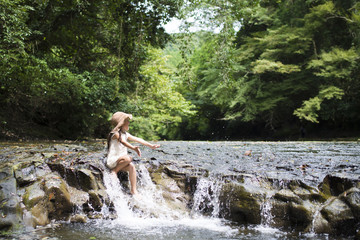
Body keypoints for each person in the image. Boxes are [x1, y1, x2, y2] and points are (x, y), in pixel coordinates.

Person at [106, 111, 160, 195]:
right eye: (127, 121)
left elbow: (138, 139)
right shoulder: (115, 134)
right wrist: (133, 148)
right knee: (129, 158)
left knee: (131, 166)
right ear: (122, 123)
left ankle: (134, 190)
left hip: (121, 161)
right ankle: (114, 171)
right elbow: (123, 142)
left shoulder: (125, 134)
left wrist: (151, 146)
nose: (128, 123)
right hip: (113, 161)